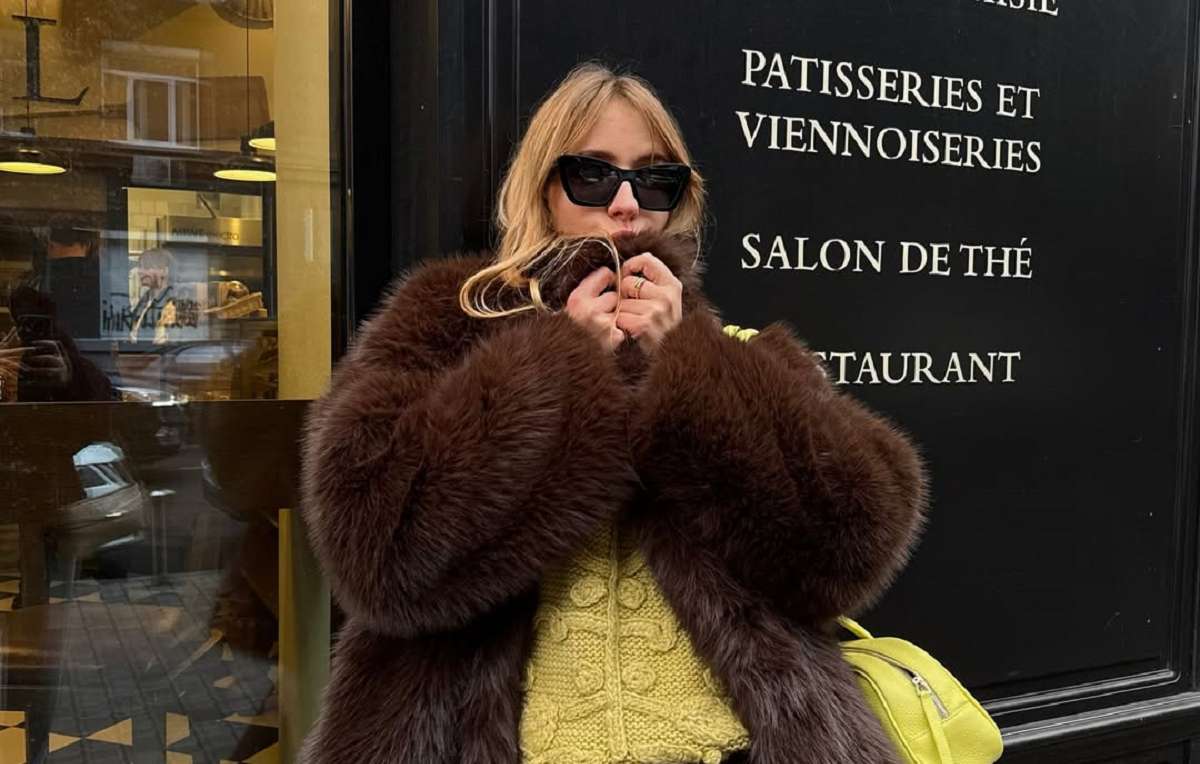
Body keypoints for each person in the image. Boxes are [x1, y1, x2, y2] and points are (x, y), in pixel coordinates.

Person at [299, 63, 927, 764]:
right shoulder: (449, 327)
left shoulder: (730, 351)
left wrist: (691, 360)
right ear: (544, 188)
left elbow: (850, 550)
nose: (626, 204)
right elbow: (373, 550)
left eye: (655, 180)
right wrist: (558, 365)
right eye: (593, 175)